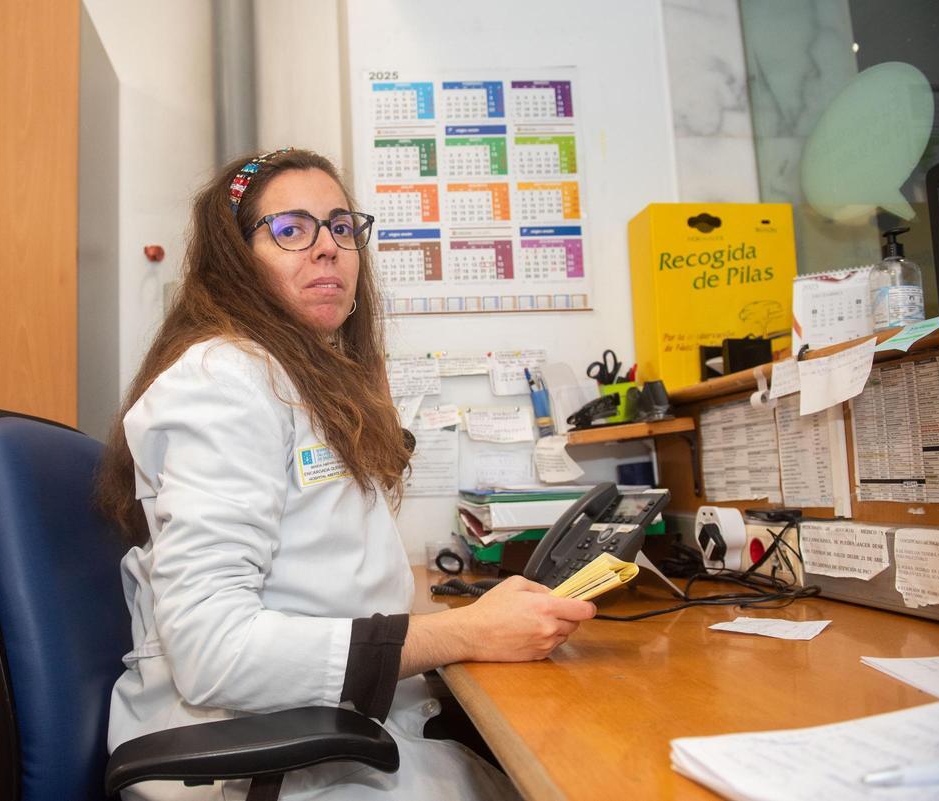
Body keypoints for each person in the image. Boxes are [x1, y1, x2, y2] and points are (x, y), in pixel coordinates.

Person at [95, 147, 596, 800]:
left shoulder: (300, 383)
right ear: (233, 262)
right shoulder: (225, 379)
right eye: (290, 229)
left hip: (316, 728)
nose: (327, 247)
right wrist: (466, 630)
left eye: (339, 226)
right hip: (244, 758)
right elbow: (214, 652)